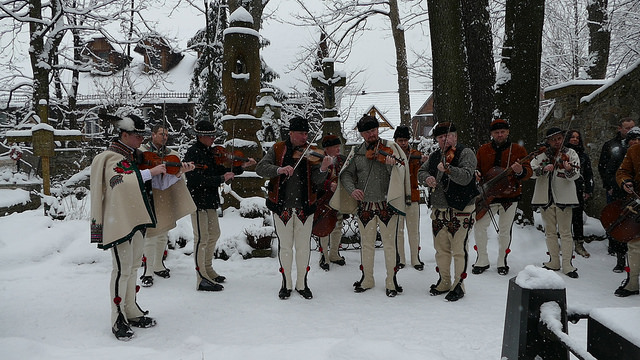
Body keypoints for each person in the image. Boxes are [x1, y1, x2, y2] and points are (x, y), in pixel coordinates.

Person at [90, 113, 195, 340]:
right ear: (125, 134)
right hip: (119, 222)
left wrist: (178, 172)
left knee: (134, 267)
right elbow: (119, 181)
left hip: (137, 219)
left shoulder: (136, 156)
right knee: (121, 269)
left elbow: (156, 182)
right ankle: (117, 316)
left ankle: (131, 309)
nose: (141, 140)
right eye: (137, 136)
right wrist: (150, 172)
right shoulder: (110, 157)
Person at [255, 116, 332, 300]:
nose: (305, 137)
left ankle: (302, 284)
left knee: (304, 248)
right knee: (286, 247)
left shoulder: (311, 152)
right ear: (291, 133)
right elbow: (260, 168)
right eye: (301, 134)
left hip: (305, 208)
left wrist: (323, 168)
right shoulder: (277, 148)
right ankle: (286, 284)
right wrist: (279, 170)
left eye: (306, 134)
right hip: (282, 207)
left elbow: (317, 181)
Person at [334, 115, 410, 298]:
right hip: (365, 206)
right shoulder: (357, 152)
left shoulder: (391, 148)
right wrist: (352, 190)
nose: (371, 134)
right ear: (361, 134)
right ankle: (367, 278)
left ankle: (391, 280)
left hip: (387, 204)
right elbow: (345, 175)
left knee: (390, 245)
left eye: (374, 130)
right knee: (366, 244)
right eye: (367, 132)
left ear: (378, 129)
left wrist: (391, 166)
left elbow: (401, 173)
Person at [184, 120, 256, 292]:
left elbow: (220, 170)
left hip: (209, 199)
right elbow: (194, 179)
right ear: (200, 136)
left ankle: (208, 269)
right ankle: (201, 278)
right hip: (197, 200)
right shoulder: (192, 153)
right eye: (210, 136)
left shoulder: (211, 152)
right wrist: (220, 179)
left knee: (214, 233)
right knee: (201, 238)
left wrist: (240, 167)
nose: (213, 139)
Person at [418, 122, 478, 302]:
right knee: (441, 249)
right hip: (439, 208)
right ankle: (444, 280)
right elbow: (421, 171)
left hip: (461, 207)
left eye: (448, 136)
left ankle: (459, 284)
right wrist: (427, 178)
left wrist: (449, 170)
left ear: (455, 136)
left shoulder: (465, 153)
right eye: (440, 137)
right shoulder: (435, 156)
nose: (444, 139)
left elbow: (467, 176)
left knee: (459, 249)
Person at [472, 119, 532, 276]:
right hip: (488, 196)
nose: (500, 135)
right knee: (479, 227)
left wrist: (520, 171)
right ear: (492, 134)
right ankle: (482, 260)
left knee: (504, 230)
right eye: (496, 132)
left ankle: (502, 261)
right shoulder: (483, 150)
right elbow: (477, 167)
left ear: (508, 132)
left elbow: (528, 172)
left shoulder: (518, 150)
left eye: (503, 132)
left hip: (509, 196)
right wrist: (477, 174)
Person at [139, 124, 196, 287]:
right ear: (153, 134)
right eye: (161, 134)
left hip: (164, 195)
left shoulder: (172, 155)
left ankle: (158, 264)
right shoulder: (141, 152)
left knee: (163, 231)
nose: (165, 137)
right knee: (150, 234)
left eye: (167, 134)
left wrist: (180, 172)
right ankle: (148, 270)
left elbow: (169, 180)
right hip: (148, 194)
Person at [531, 127, 581, 279]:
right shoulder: (541, 155)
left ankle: (567, 264)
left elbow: (575, 175)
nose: (557, 142)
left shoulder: (570, 154)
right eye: (553, 139)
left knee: (565, 232)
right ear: (548, 141)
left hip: (564, 199)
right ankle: (553, 261)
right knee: (550, 232)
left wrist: (568, 170)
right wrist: (543, 169)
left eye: (559, 138)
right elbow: (531, 171)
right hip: (546, 199)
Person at [598, 117, 636, 272]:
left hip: (634, 191)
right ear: (619, 128)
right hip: (617, 189)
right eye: (626, 128)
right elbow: (604, 167)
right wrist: (609, 185)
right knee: (618, 220)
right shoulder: (611, 146)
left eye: (632, 128)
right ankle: (618, 253)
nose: (629, 131)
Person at [393, 125, 428, 271]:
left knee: (414, 230)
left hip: (412, 196)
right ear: (395, 140)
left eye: (405, 140)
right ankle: (400, 258)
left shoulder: (415, 154)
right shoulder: (391, 155)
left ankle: (415, 258)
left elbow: (420, 174)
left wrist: (423, 162)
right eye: (400, 140)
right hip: (397, 197)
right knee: (399, 231)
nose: (403, 143)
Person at [614, 126, 640, 297]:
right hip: (638, 202)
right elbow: (622, 171)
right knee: (635, 244)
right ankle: (632, 282)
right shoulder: (634, 150)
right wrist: (626, 182)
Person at [317, 134, 347, 271]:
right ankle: (324, 256)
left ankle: (334, 253)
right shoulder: (318, 160)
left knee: (338, 224)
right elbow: (315, 179)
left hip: (339, 198)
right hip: (324, 198)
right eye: (335, 147)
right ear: (327, 148)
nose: (338, 149)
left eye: (338, 146)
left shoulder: (341, 160)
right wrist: (328, 184)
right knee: (324, 227)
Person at [564, 129, 594, 258]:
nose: (575, 139)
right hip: (564, 188)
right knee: (563, 216)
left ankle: (579, 243)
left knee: (577, 217)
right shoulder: (562, 153)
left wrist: (589, 189)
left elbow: (588, 174)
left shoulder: (583, 156)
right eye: (572, 137)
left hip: (578, 189)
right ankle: (565, 243)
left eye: (577, 137)